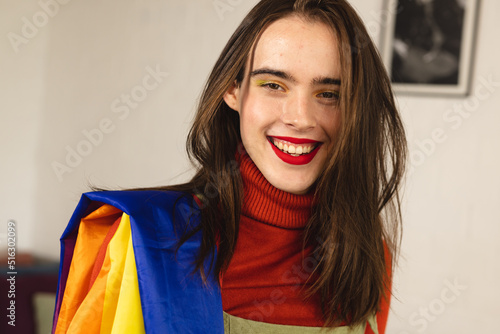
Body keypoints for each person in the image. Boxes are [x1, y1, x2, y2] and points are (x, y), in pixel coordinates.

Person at [52, 0, 407, 333]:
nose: (300, 118)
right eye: (273, 85)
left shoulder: (366, 256)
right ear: (232, 90)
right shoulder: (140, 240)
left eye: (329, 94)